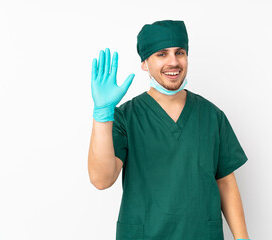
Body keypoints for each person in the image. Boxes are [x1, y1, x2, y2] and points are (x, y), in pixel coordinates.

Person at [88, 20, 251, 240]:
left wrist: (242, 238)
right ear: (145, 62)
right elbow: (102, 180)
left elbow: (225, 182)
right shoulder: (125, 118)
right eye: (162, 54)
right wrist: (102, 115)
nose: (173, 62)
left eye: (180, 53)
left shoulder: (212, 116)